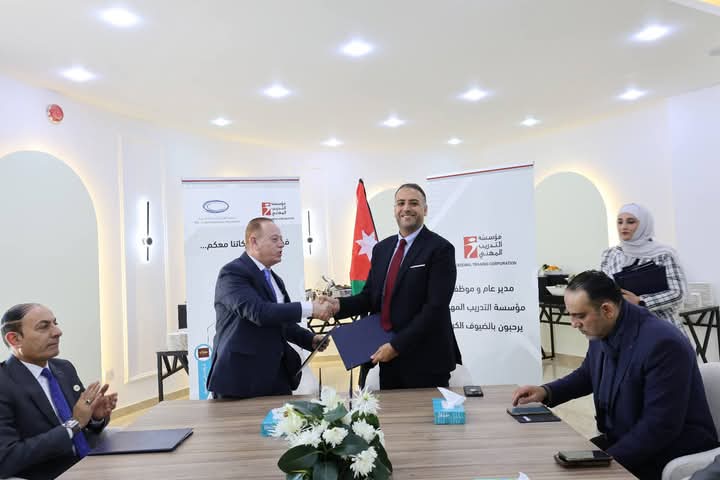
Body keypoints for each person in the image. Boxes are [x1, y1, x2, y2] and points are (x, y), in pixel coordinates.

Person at [512, 271, 718, 480]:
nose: (574, 323)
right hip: (625, 439)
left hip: (668, 450)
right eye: (570, 315)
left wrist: (604, 461)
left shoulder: (663, 344)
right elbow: (587, 374)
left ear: (607, 309)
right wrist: (546, 391)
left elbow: (660, 427)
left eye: (580, 316)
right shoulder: (603, 328)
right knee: (551, 465)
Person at [323, 183, 461, 389]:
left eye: (414, 203)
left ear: (425, 209)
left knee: (424, 412)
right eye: (401, 203)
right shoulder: (382, 249)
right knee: (390, 410)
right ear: (395, 209)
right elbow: (369, 297)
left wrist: (396, 346)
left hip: (426, 359)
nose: (406, 208)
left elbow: (435, 308)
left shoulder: (440, 249)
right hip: (387, 357)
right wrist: (338, 305)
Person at [207, 217, 332, 399]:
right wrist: (311, 308)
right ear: (254, 242)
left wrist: (309, 339)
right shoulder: (232, 273)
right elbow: (259, 312)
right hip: (240, 378)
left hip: (276, 376)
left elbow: (281, 322)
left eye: (281, 239)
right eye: (274, 239)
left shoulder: (275, 279)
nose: (281, 244)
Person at [0, 303, 117, 480]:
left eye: (55, 323)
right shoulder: (4, 384)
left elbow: (84, 427)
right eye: (44, 326)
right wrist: (74, 423)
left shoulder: (64, 368)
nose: (57, 332)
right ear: (14, 339)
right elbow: (7, 459)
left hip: (94, 463)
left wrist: (95, 417)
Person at [601, 203, 687, 331]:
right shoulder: (610, 254)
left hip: (660, 327)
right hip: (624, 328)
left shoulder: (663, 254)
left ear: (644, 224)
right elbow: (604, 289)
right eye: (620, 222)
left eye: (631, 222)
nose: (623, 227)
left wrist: (640, 301)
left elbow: (678, 293)